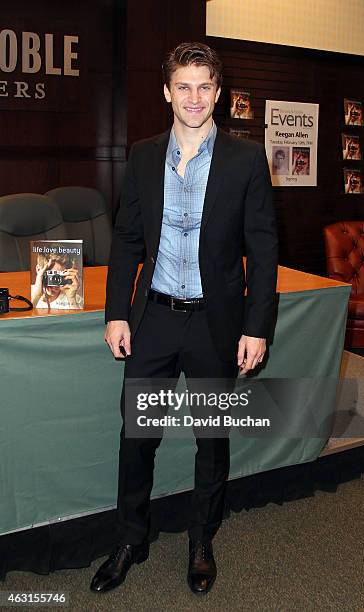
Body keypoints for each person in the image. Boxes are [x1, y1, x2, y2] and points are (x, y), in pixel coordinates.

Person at [90, 42, 278, 595]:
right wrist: (117, 313)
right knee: (137, 438)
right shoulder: (144, 155)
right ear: (168, 92)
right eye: (184, 87)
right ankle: (130, 538)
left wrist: (257, 326)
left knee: (211, 439)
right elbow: (126, 240)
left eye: (205, 87)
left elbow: (263, 250)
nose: (194, 98)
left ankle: (201, 539)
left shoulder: (246, 159)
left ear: (217, 93)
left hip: (215, 325)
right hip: (154, 321)